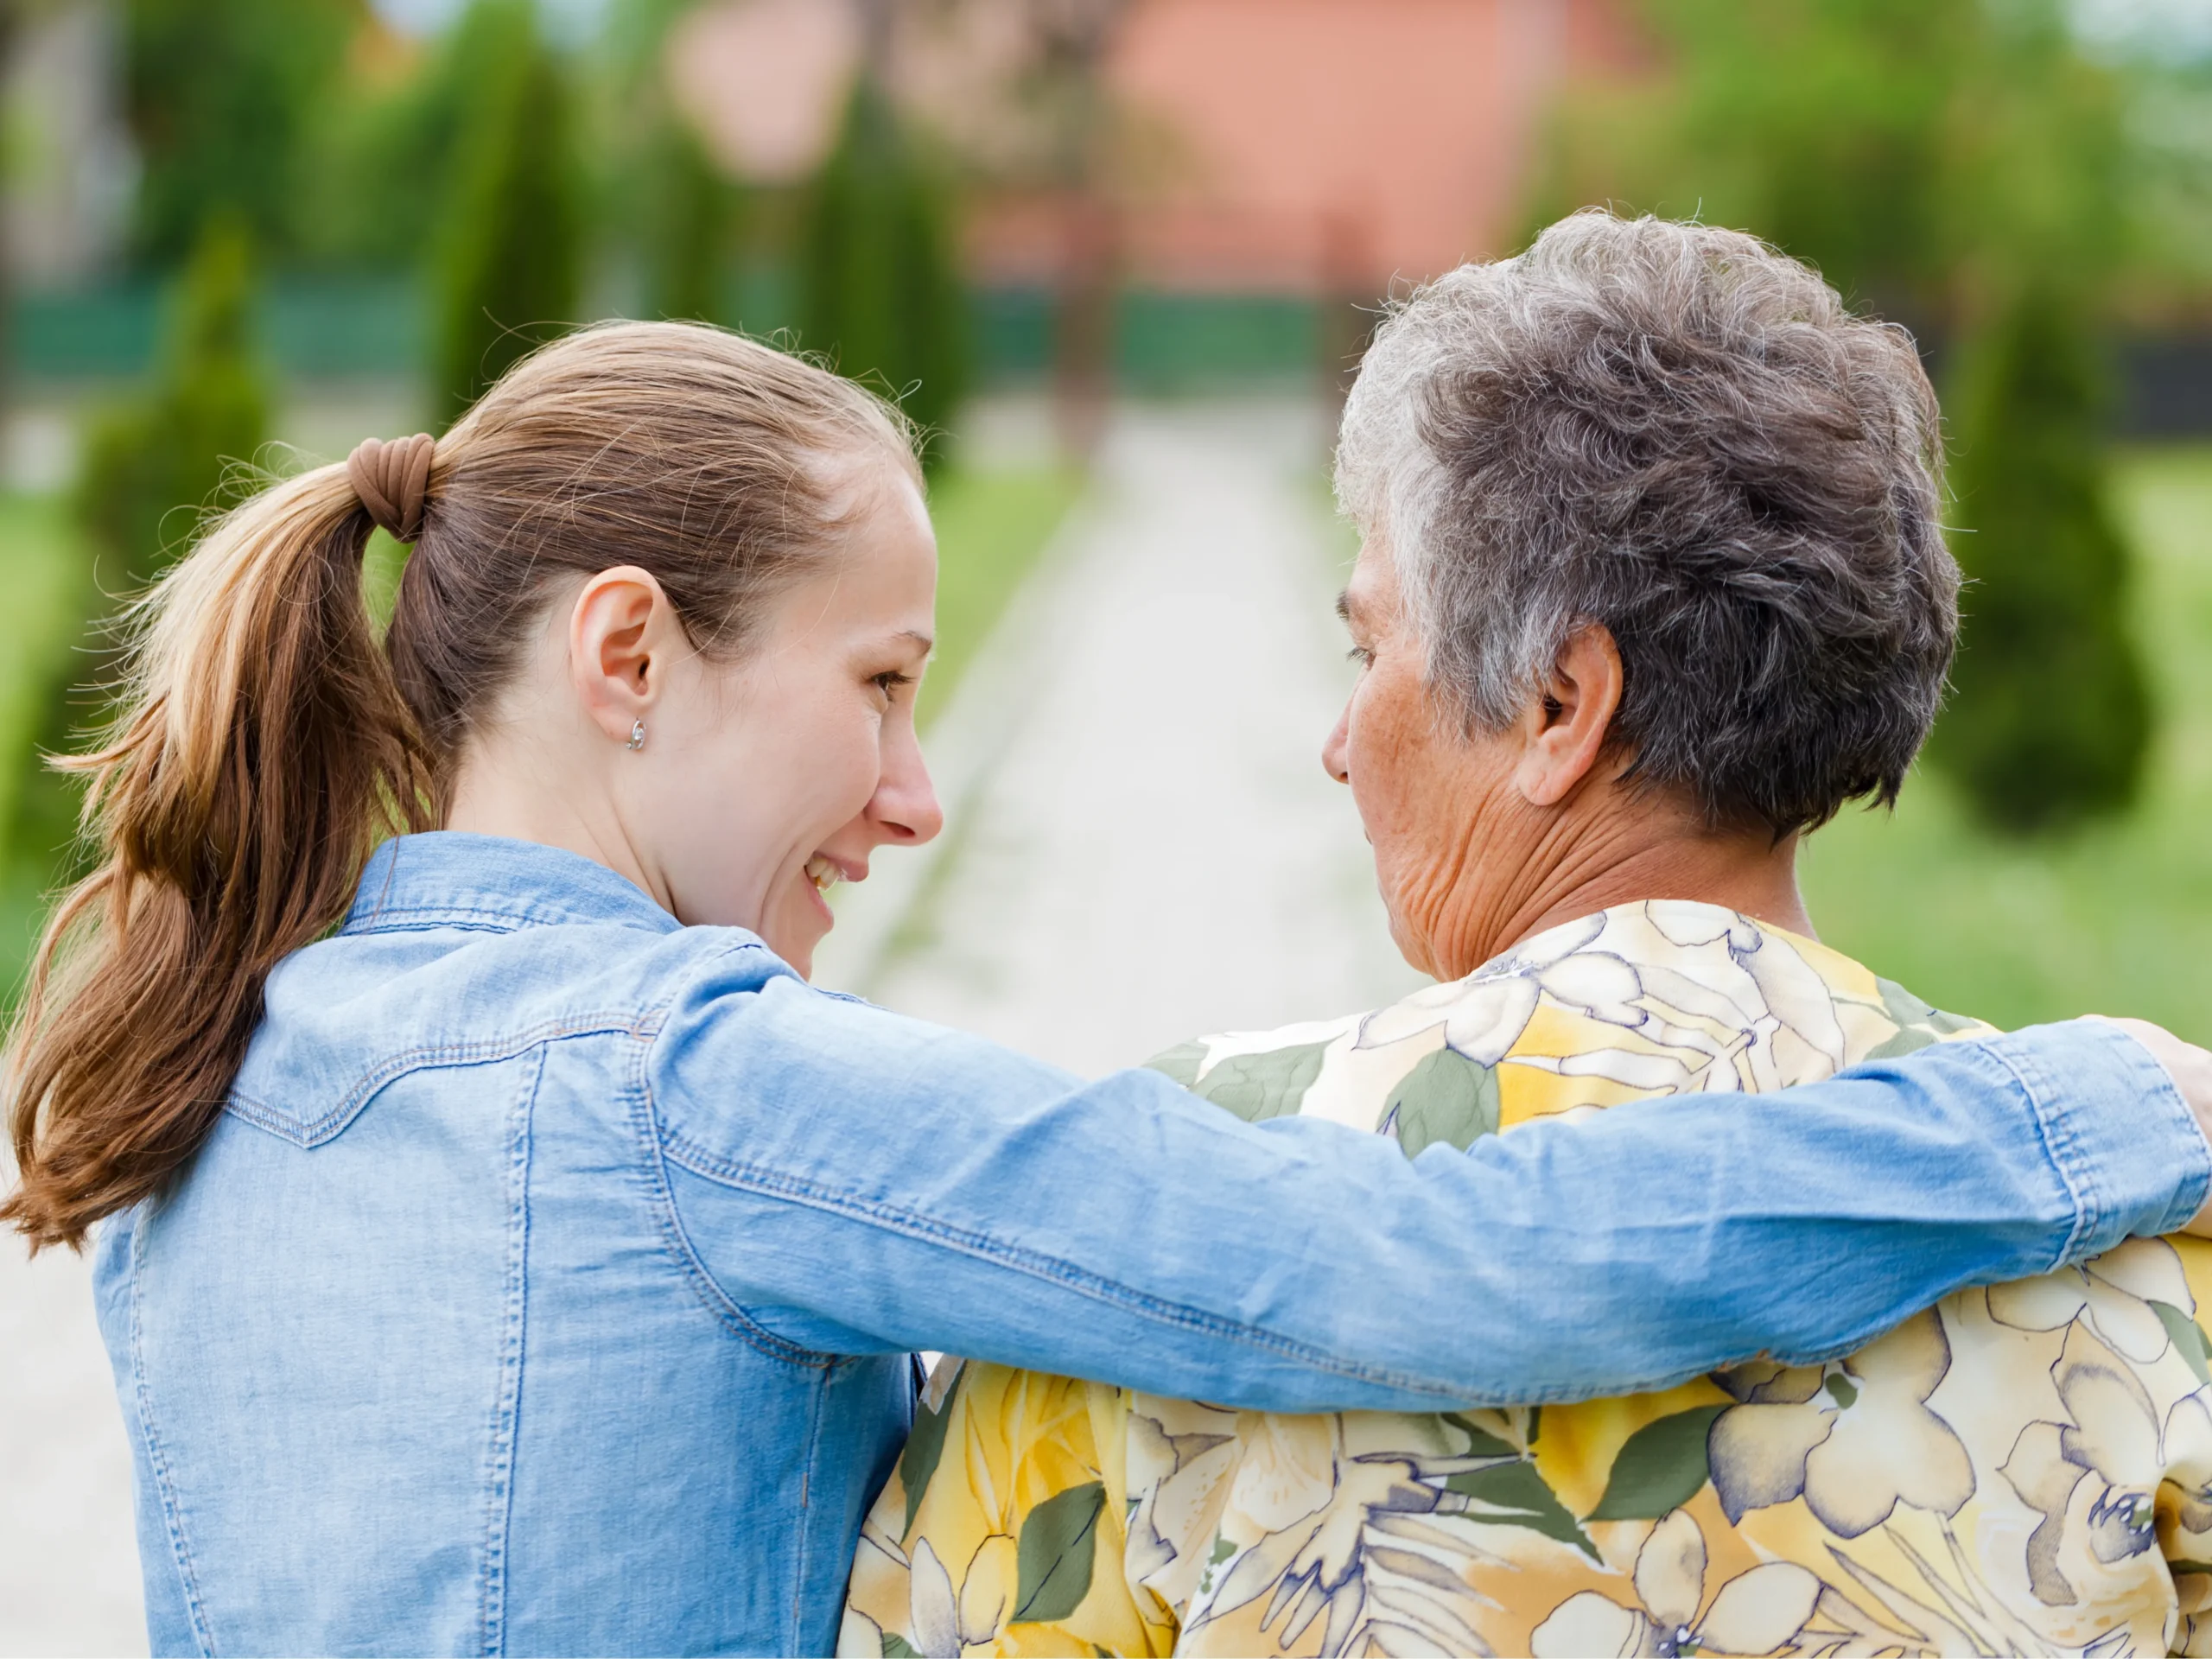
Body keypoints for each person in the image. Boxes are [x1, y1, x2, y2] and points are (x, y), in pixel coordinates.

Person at [3, 321, 2205, 1659]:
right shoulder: (698, 1095)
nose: (913, 796)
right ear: (624, 653)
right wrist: (2054, 1123)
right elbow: (1398, 1262)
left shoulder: (208, 1067)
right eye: (874, 687)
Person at [850, 213, 2212, 1659]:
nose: (1336, 743)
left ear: (1562, 706)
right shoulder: (2151, 1244)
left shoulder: (1178, 1209)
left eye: (1370, 649)